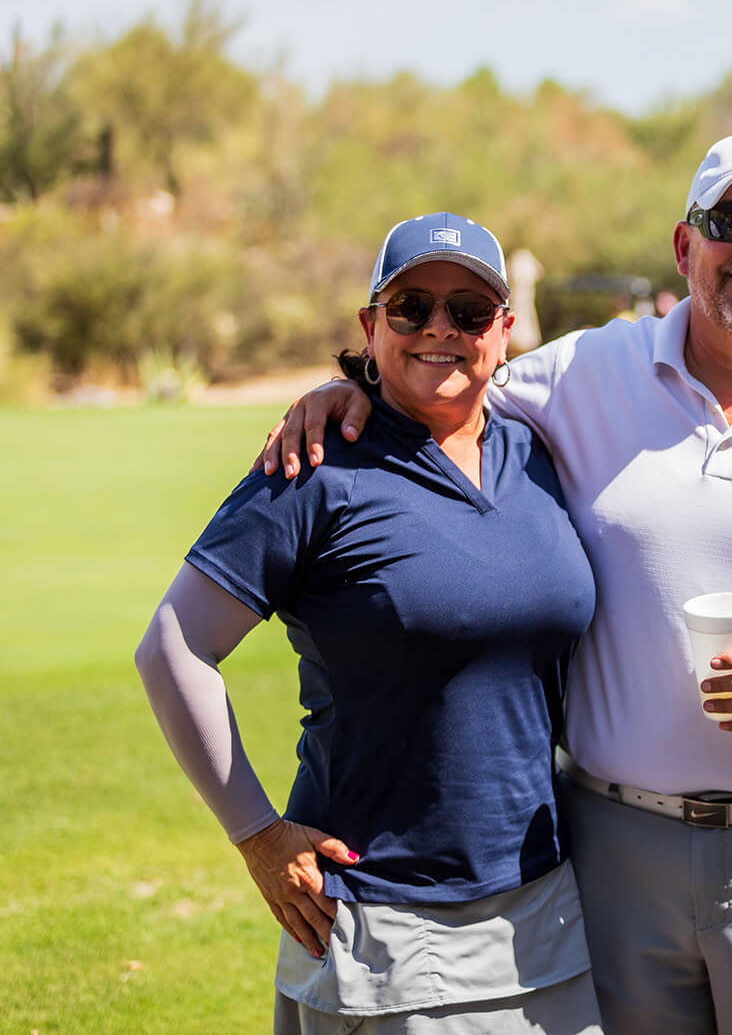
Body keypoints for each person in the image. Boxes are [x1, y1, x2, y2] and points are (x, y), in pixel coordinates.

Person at [258, 130, 732, 1035]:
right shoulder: (582, 373)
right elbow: (447, 375)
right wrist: (350, 390)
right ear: (687, 245)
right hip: (610, 846)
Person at [135, 213, 602, 1033]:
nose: (439, 330)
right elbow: (174, 648)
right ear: (370, 325)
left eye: (467, 311)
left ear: (505, 327)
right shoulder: (313, 469)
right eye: (411, 307)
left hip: (549, 913)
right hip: (382, 924)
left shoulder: (540, 452)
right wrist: (257, 835)